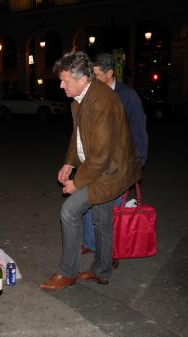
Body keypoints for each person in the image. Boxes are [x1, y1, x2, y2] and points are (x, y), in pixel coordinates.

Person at [39, 51, 141, 291]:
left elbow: (101, 157)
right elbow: (78, 135)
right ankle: (102, 270)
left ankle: (67, 273)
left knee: (69, 211)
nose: (61, 85)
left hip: (110, 173)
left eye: (65, 80)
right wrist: (69, 163)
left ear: (82, 79)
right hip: (100, 168)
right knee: (102, 220)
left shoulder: (101, 102)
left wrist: (77, 182)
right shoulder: (81, 98)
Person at [80, 53, 148, 261]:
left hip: (119, 164)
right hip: (95, 161)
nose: (92, 79)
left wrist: (138, 162)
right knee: (89, 204)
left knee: (110, 210)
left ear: (110, 74)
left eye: (97, 74)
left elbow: (138, 128)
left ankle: (111, 250)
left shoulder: (127, 95)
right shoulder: (91, 93)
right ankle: (91, 243)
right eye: (91, 74)